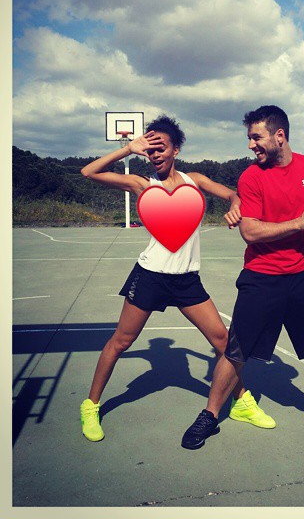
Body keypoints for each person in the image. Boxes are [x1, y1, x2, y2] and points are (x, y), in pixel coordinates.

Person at [79, 114, 263, 441]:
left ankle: (242, 402)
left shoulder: (195, 180)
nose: (155, 154)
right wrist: (128, 149)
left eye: (161, 148)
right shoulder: (142, 184)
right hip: (150, 275)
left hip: (186, 280)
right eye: (150, 150)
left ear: (176, 149)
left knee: (224, 343)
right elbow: (88, 172)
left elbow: (233, 195)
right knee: (121, 341)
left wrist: (235, 204)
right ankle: (90, 406)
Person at [181, 105, 304, 450]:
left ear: (279, 136)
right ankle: (210, 415)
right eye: (250, 138)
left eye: (256, 137)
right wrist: (299, 223)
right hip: (262, 276)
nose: (251, 145)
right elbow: (251, 232)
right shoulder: (251, 177)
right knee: (236, 350)